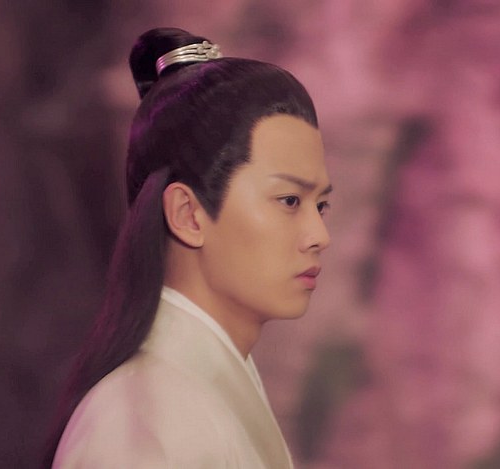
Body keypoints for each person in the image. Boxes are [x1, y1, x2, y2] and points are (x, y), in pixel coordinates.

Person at [43, 27, 331, 468]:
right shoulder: (140, 424)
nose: (319, 235)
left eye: (321, 205)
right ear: (188, 214)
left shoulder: (183, 397)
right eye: (289, 200)